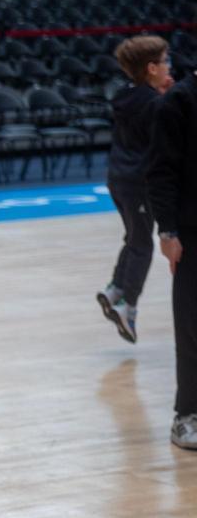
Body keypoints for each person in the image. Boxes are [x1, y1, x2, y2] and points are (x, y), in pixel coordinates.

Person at [96, 35, 174, 343]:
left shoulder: (125, 94)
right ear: (152, 68)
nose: (169, 66)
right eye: (165, 61)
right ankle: (127, 307)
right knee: (143, 245)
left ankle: (114, 289)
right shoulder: (155, 104)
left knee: (133, 237)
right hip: (139, 182)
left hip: (117, 179)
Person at [146, 64, 197, 450]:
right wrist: (167, 231)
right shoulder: (179, 101)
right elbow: (160, 173)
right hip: (192, 232)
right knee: (193, 325)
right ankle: (187, 414)